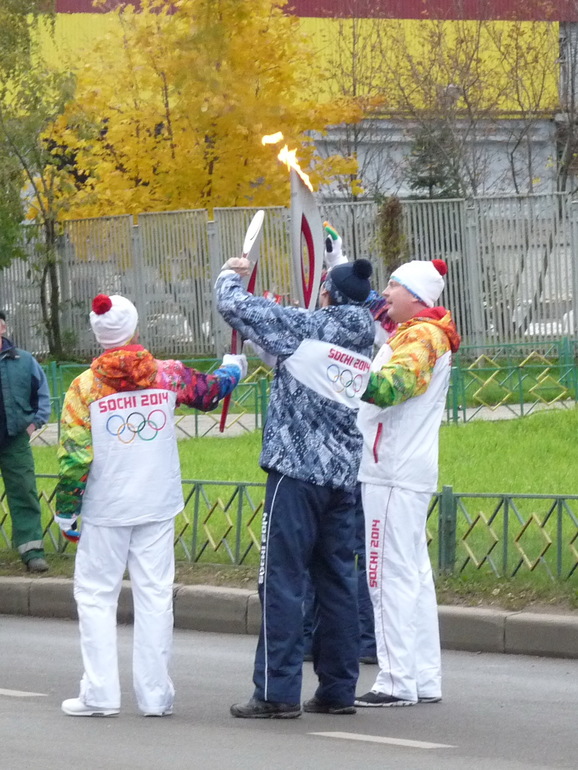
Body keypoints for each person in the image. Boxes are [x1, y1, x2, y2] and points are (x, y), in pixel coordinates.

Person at [54, 293, 246, 718]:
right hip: (157, 502)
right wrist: (233, 368)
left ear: (98, 335)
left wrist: (66, 510)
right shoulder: (166, 375)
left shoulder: (84, 388)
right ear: (136, 329)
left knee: (96, 596)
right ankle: (155, 696)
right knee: (155, 595)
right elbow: (210, 392)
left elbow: (74, 458)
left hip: (106, 507)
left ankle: (100, 694)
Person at [216, 254, 375, 719]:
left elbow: (234, 305)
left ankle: (276, 692)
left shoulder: (309, 327)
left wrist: (232, 274)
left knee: (282, 582)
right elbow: (292, 355)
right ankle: (338, 690)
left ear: (330, 296)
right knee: (337, 583)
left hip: (295, 475)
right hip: (342, 479)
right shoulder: (366, 332)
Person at [354, 259, 461, 708]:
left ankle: (396, 680)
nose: (385, 292)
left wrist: (341, 375)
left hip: (392, 472)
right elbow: (375, 314)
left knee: (386, 575)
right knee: (413, 574)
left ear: (415, 295)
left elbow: (391, 386)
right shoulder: (420, 329)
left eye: (393, 286)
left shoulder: (420, 338)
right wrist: (338, 266)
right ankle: (423, 677)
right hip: (403, 468)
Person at [0, 309, 51, 573]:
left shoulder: (24, 361)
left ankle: (32, 552)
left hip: (14, 440)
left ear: (3, 328)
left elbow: (42, 395)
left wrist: (33, 424)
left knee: (24, 494)